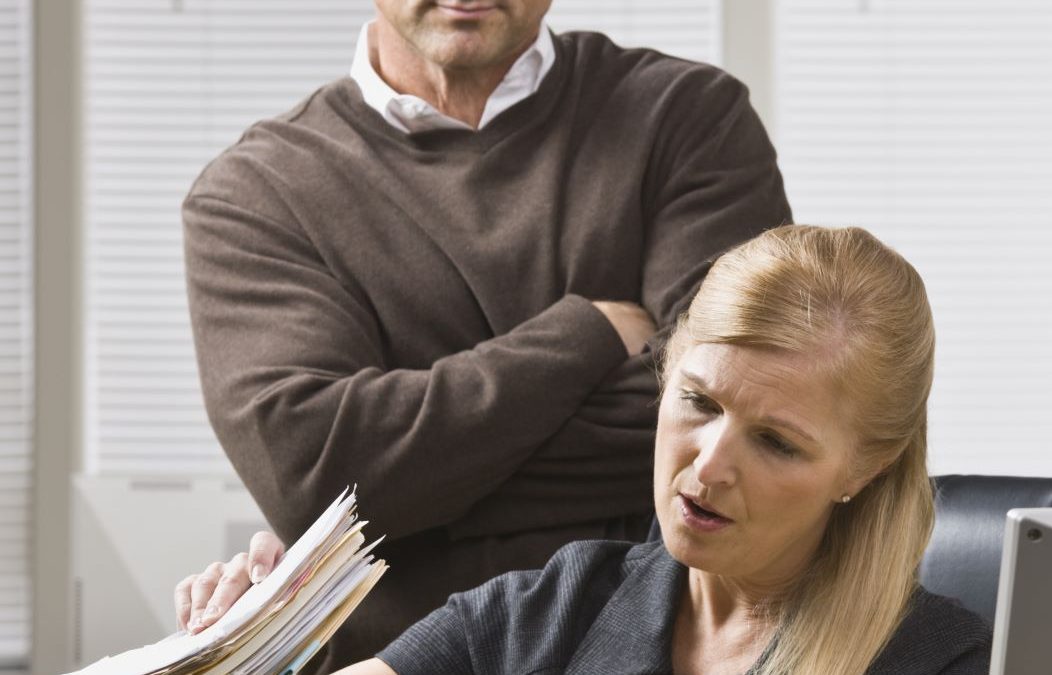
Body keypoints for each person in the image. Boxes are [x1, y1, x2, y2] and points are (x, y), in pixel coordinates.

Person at [177, 0, 790, 670]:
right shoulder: (255, 193)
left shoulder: (687, 117)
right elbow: (316, 471)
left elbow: (736, 417)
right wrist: (586, 331)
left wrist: (405, 497)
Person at [183, 225, 992, 674]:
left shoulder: (942, 661)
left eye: (777, 442)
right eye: (698, 402)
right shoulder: (561, 604)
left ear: (865, 467)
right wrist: (247, 651)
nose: (708, 466)